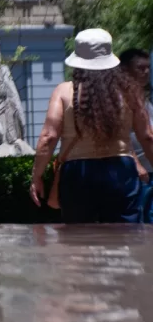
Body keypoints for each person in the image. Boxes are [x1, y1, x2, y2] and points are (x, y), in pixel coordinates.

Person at [30, 29, 153, 223]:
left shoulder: (63, 92)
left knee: (78, 237)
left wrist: (36, 176)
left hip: (77, 172)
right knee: (125, 234)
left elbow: (49, 137)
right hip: (120, 170)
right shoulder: (129, 91)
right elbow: (147, 137)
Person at [121, 48, 153, 220]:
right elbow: (120, 136)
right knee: (142, 222)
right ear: (125, 70)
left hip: (149, 168)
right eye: (140, 68)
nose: (146, 72)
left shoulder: (144, 98)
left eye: (148, 68)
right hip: (138, 173)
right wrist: (136, 164)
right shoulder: (121, 99)